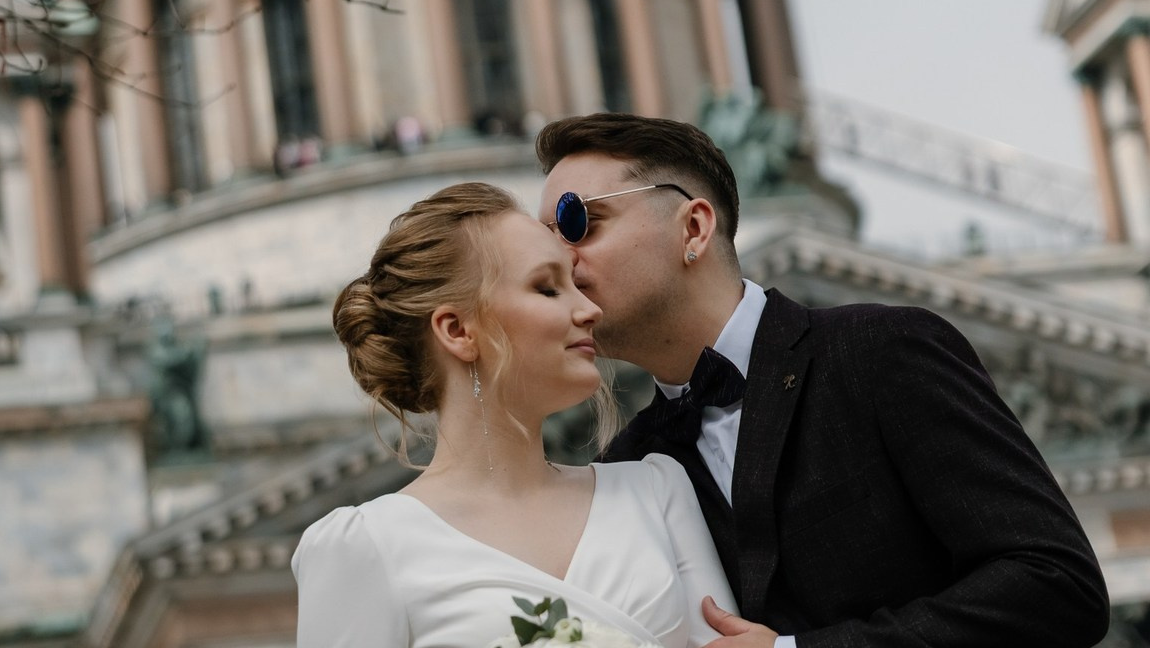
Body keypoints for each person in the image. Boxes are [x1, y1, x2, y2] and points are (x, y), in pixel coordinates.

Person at [535, 112, 1110, 648]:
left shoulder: (882, 352)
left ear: (694, 228)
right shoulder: (624, 469)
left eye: (576, 221)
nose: (557, 261)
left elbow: (1057, 582)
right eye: (544, 242)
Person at [292, 182, 741, 646]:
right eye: (547, 289)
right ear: (458, 329)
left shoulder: (656, 491)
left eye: (576, 284)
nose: (590, 310)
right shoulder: (363, 547)